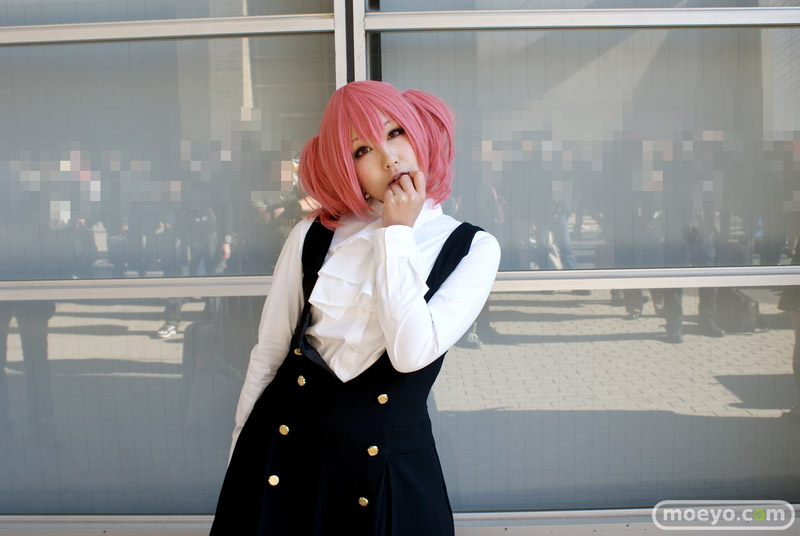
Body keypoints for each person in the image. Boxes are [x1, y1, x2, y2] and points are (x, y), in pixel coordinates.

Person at [210, 81, 500, 535]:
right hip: (284, 452)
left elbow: (410, 353)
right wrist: (241, 456)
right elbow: (269, 353)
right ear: (348, 168)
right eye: (363, 149)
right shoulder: (314, 233)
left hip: (386, 469)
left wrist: (397, 233)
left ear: (419, 133)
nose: (389, 158)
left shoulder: (472, 247)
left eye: (395, 132)